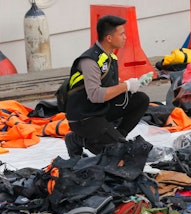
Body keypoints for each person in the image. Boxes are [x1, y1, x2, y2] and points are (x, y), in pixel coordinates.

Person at [64, 15, 152, 158]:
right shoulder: (90, 60)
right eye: (122, 34)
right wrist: (126, 85)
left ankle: (117, 137)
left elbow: (111, 88)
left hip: (100, 110)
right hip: (85, 117)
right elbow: (95, 95)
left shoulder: (110, 57)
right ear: (109, 38)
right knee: (118, 155)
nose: (125, 37)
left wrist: (135, 84)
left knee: (141, 99)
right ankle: (76, 139)